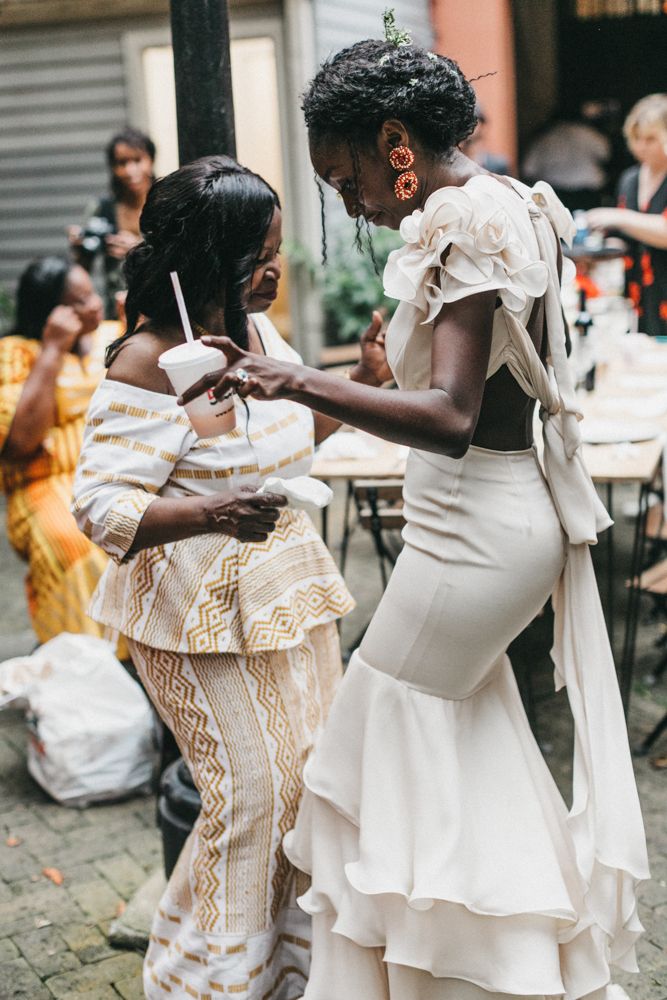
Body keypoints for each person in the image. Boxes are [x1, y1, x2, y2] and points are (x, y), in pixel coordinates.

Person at [180, 37, 649, 1000]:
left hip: (476, 536)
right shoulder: (503, 201)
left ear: (395, 143)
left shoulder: (464, 218)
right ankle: (502, 971)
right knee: (454, 749)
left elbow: (450, 417)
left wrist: (287, 378)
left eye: (345, 179)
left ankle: (435, 976)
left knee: (367, 748)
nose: (350, 205)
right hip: (475, 525)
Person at [71, 155, 390, 1000]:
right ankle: (204, 981)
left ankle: (291, 974)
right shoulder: (150, 358)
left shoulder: (257, 334)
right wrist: (211, 513)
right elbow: (98, 506)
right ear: (208, 257)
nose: (273, 271)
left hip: (287, 590)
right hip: (190, 609)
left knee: (308, 788)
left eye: (276, 251)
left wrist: (362, 382)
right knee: (248, 800)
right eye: (258, 255)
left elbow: (285, 441)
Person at [0, 257, 119, 645]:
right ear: (52, 312)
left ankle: (139, 649)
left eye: (92, 293)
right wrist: (52, 350)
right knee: (74, 542)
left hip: (117, 471)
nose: (95, 304)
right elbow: (21, 443)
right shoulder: (17, 352)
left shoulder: (112, 334)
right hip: (46, 484)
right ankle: (85, 655)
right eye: (80, 301)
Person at [587, 93, 667, 337]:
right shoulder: (630, 179)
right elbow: (628, 239)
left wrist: (618, 218)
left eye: (651, 139)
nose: (641, 147)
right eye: (637, 138)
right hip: (639, 294)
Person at [70, 127, 156, 319]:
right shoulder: (102, 209)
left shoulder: (167, 203)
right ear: (113, 168)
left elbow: (182, 258)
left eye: (137, 160)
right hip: (118, 311)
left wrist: (139, 249)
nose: (130, 171)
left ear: (150, 161)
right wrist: (80, 247)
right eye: (122, 163)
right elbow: (83, 268)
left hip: (162, 308)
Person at [522, 105, 611, 212]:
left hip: (556, 193)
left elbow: (528, 169)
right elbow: (606, 155)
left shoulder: (545, 139)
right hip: (585, 193)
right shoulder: (590, 135)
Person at [460, 102, 510, 175]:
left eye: (472, 120)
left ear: (482, 125)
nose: (468, 126)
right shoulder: (452, 163)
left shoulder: (498, 165)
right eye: (464, 121)